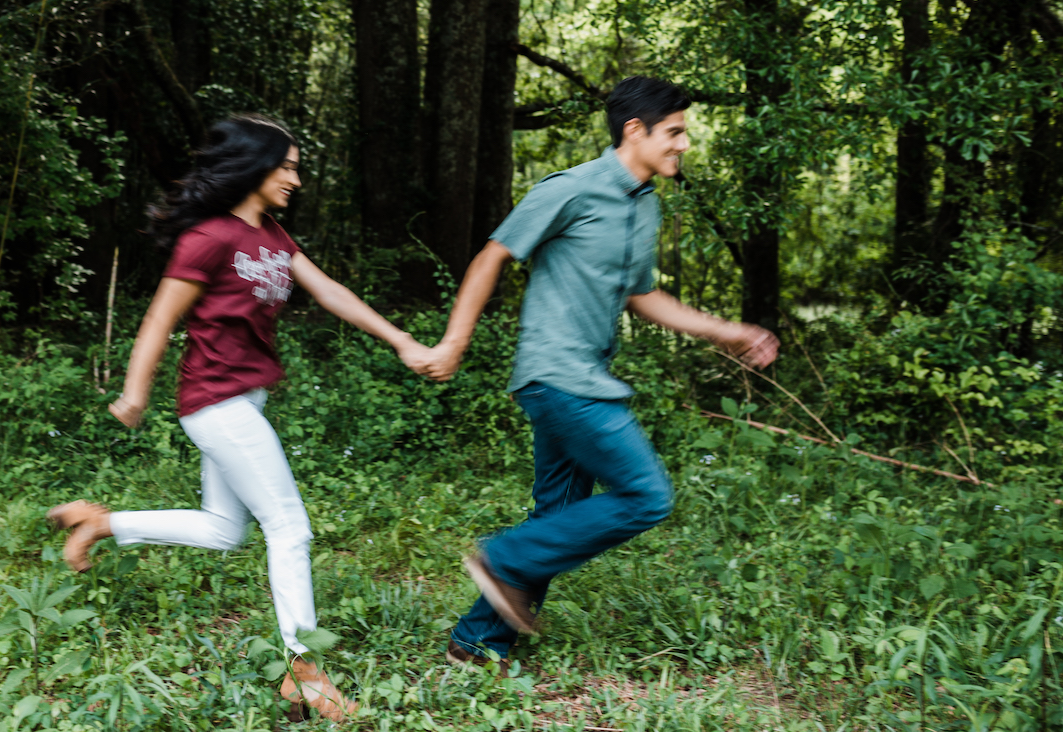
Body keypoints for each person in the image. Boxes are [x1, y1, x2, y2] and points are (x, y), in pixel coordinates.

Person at [49, 114, 431, 722]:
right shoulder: (207, 238)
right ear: (255, 167)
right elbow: (159, 317)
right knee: (290, 528)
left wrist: (402, 340)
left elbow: (329, 291)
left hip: (242, 401)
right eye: (287, 167)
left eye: (296, 168)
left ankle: (101, 523)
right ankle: (303, 673)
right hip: (214, 402)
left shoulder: (274, 236)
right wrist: (135, 390)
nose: (295, 179)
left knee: (224, 530)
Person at [417, 76, 780, 665]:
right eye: (675, 132)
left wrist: (729, 330)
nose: (683, 144)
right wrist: (454, 342)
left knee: (558, 516)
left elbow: (643, 296)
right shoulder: (573, 189)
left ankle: (477, 642)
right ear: (635, 130)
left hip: (586, 374)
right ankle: (503, 559)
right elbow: (494, 255)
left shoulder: (645, 206)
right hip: (558, 375)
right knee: (646, 495)